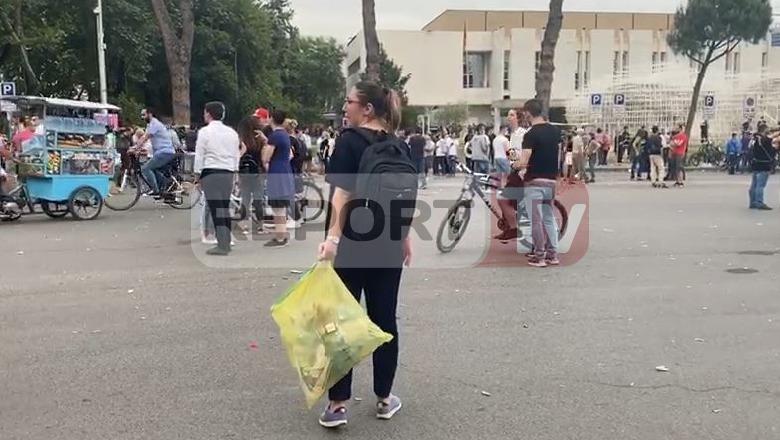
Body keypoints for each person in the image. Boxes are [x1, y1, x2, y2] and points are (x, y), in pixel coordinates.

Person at [316, 81, 411, 429]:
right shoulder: (398, 144)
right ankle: (385, 398)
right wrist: (405, 238)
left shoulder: (349, 141)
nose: (345, 108)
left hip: (354, 242)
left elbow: (342, 194)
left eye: (349, 102)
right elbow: (404, 195)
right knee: (385, 320)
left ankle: (338, 404)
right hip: (387, 244)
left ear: (367, 108)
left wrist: (331, 239)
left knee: (341, 320)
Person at [194, 102, 241, 256]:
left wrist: (197, 174)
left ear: (209, 114)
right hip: (227, 172)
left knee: (215, 208)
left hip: (211, 171)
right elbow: (236, 154)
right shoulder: (232, 133)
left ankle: (222, 244)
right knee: (224, 207)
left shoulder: (204, 132)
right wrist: (235, 172)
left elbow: (200, 154)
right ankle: (225, 240)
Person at [519, 99, 561, 268]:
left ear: (528, 113)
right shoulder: (555, 131)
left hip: (534, 181)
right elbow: (559, 156)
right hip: (551, 180)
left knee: (536, 220)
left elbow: (523, 161)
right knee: (549, 218)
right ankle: (553, 255)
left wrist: (515, 163)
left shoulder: (530, 134)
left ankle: (539, 256)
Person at [263, 110, 296, 248]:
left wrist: (265, 150)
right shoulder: (285, 135)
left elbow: (266, 157)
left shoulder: (274, 136)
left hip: (276, 172)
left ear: (271, 119)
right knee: (281, 206)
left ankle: (280, 237)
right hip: (285, 170)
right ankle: (281, 235)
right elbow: (290, 155)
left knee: (277, 207)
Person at [237, 116, 267, 235]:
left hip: (243, 172)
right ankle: (260, 225)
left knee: (245, 199)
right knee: (258, 200)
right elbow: (265, 155)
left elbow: (237, 155)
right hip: (257, 172)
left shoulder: (241, 140)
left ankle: (245, 224)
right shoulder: (259, 140)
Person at [137, 108, 176, 197]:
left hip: (164, 152)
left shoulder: (154, 124)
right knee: (153, 169)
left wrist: (135, 148)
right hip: (163, 152)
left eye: (144, 115)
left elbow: (145, 138)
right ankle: (165, 186)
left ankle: (155, 190)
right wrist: (138, 148)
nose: (142, 117)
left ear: (150, 114)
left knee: (145, 168)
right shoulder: (150, 125)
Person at [748, 124, 778, 210]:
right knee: (760, 185)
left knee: (754, 184)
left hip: (756, 163)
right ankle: (759, 202)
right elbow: (772, 137)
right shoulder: (764, 139)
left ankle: (753, 202)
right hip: (764, 164)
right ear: (764, 131)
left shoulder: (754, 139)